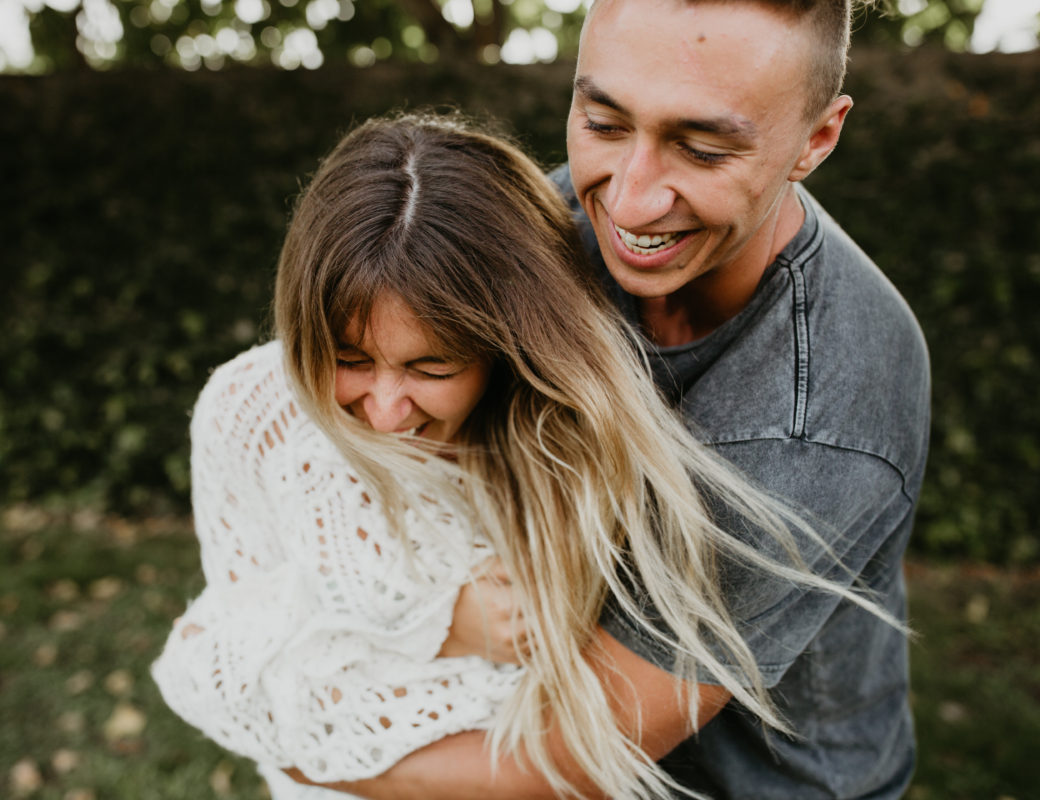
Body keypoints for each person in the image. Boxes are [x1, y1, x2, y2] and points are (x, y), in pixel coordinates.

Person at [152, 112, 889, 800]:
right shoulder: (249, 410)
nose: (383, 407)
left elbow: (550, 740)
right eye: (346, 359)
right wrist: (443, 623)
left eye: (430, 368)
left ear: (500, 344)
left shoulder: (555, 463)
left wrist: (298, 704)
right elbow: (223, 655)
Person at [303, 1, 931, 799]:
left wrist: (309, 755)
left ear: (817, 138)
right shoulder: (550, 228)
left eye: (701, 150)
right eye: (602, 125)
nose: (629, 203)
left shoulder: (822, 412)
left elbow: (577, 751)